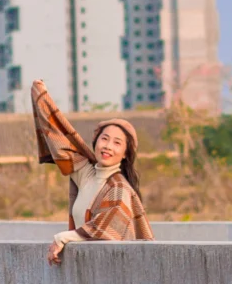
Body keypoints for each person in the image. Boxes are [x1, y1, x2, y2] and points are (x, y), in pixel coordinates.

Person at [30, 79, 153, 264]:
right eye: (105, 139)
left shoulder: (119, 188)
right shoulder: (87, 174)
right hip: (90, 268)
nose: (108, 146)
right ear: (96, 142)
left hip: (115, 271)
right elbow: (59, 138)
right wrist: (42, 97)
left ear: (126, 154)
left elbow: (104, 228)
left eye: (117, 143)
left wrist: (62, 238)